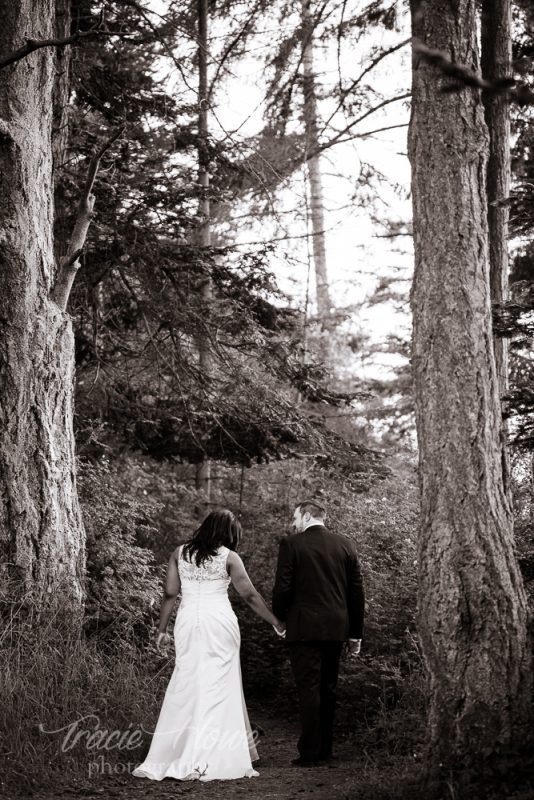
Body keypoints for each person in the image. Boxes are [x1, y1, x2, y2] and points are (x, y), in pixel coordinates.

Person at [133, 509, 285, 782]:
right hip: (219, 623)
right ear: (228, 533)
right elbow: (249, 595)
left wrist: (162, 629)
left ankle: (176, 751)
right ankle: (214, 753)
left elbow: (170, 593)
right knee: (218, 684)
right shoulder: (230, 557)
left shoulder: (180, 553)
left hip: (188, 621)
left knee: (186, 681)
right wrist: (276, 621)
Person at [272, 500, 365, 766]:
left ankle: (311, 752)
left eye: (295, 517)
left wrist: (280, 618)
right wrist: (355, 633)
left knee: (308, 688)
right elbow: (356, 593)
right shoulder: (346, 545)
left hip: (303, 628)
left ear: (307, 515)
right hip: (336, 627)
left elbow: (282, 588)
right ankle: (326, 750)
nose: (293, 523)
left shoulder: (292, 544)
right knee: (329, 687)